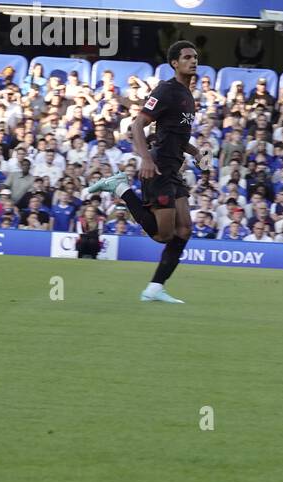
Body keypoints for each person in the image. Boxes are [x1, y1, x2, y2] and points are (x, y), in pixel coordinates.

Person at [80, 42, 207, 303]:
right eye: (187, 57)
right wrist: (146, 158)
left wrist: (196, 153)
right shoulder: (166, 90)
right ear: (174, 63)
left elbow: (173, 135)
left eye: (195, 57)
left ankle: (155, 288)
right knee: (163, 235)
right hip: (158, 168)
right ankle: (120, 188)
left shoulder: (187, 95)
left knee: (184, 230)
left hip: (173, 170)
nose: (193, 61)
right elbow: (138, 125)